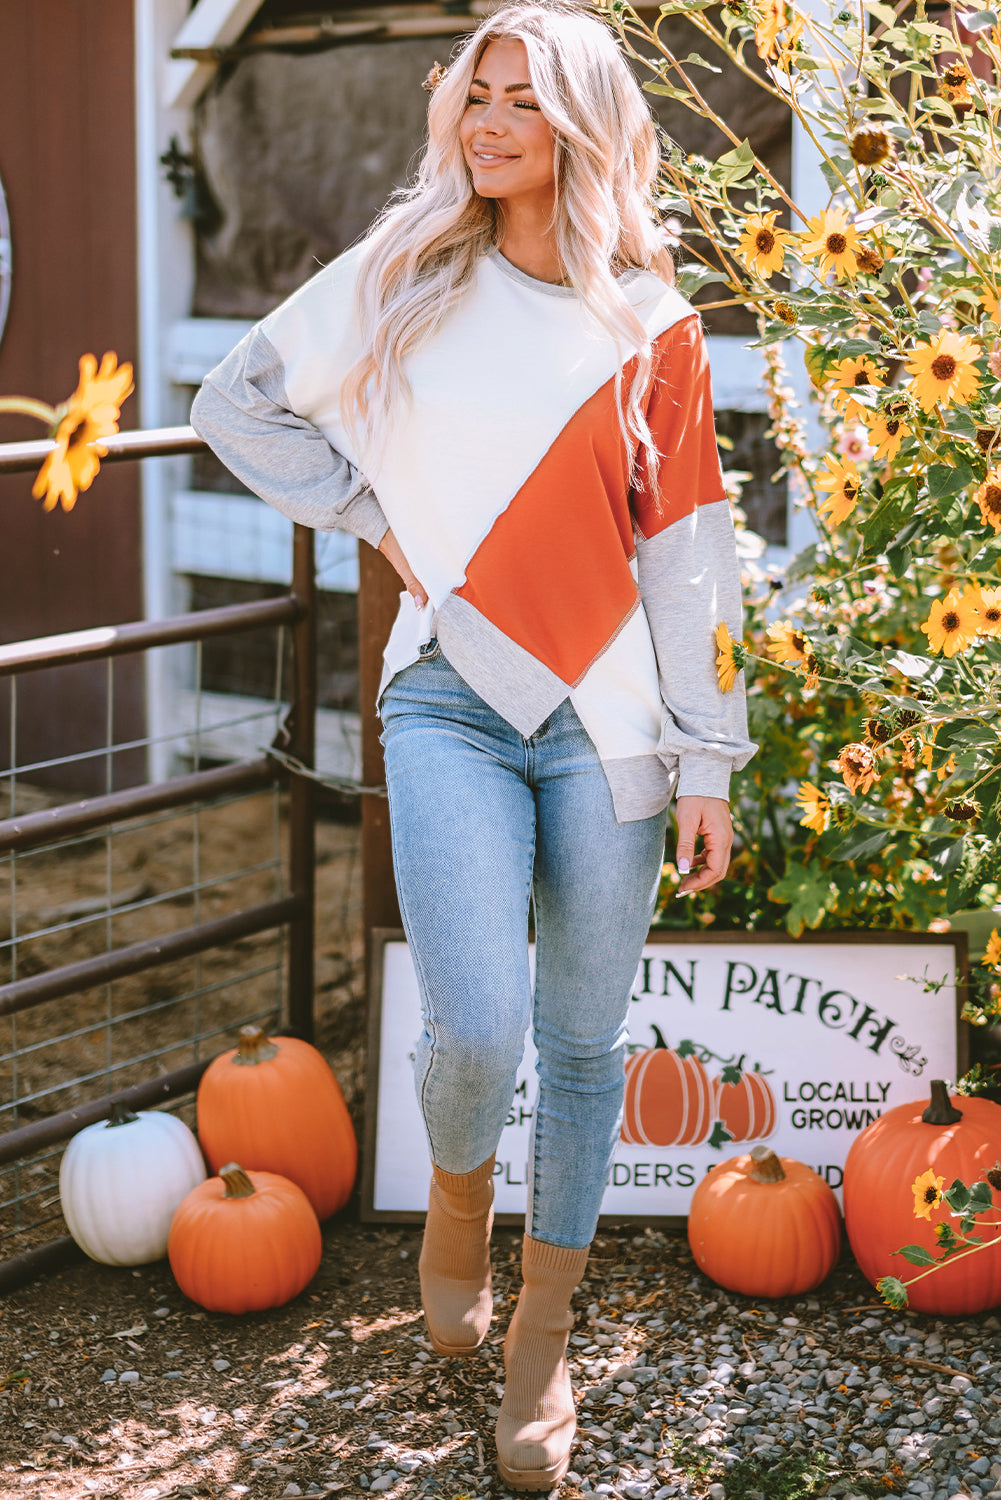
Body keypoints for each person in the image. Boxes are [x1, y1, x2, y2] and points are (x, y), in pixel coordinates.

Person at [191, 1, 755, 1488]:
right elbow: (234, 402)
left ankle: (541, 1346)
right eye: (477, 94)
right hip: (445, 694)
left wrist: (707, 761)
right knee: (477, 1029)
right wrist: (384, 516)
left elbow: (689, 557)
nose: (490, 119)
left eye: (524, 99)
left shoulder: (652, 324)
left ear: (582, 122)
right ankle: (455, 1208)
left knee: (579, 1048)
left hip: (612, 727)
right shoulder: (405, 270)